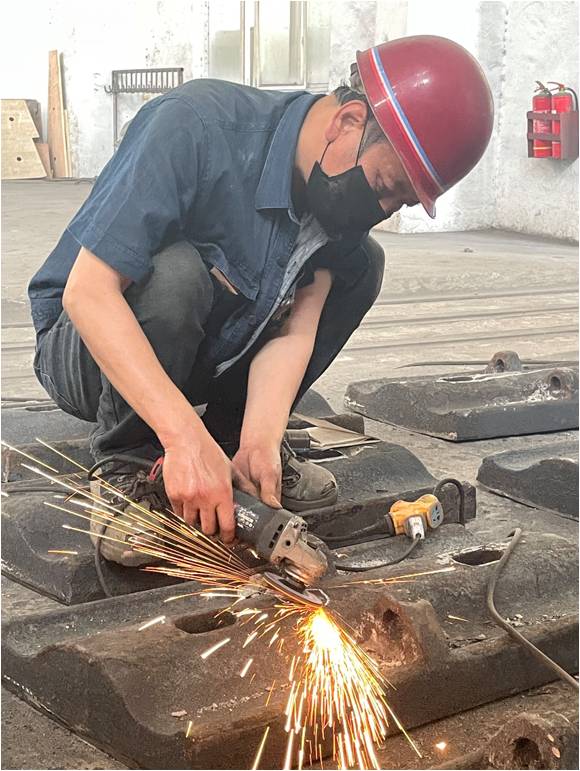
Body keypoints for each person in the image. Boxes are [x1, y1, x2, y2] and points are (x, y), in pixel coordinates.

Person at [28, 36, 493, 565]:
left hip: (205, 354)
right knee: (177, 274)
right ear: (348, 121)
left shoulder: (336, 193)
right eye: (385, 184)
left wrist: (260, 439)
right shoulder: (193, 126)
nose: (381, 208)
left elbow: (297, 325)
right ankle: (126, 467)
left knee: (364, 264)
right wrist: (182, 438)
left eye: (399, 203)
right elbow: (88, 293)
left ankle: (232, 447)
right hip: (87, 351)